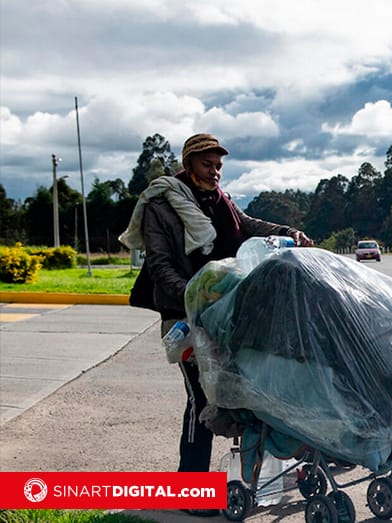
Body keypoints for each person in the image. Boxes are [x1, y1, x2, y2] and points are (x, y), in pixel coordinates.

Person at [121, 133, 312, 517]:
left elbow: (246, 225)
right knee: (201, 400)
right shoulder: (163, 203)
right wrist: (197, 296)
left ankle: (256, 477)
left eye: (219, 166)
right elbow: (160, 264)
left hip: (226, 313)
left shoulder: (219, 199)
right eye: (207, 165)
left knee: (246, 395)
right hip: (185, 316)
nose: (215, 172)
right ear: (188, 164)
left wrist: (287, 233)